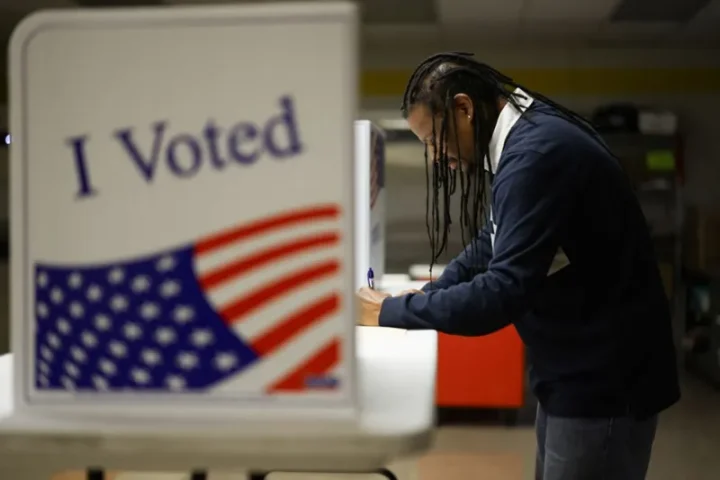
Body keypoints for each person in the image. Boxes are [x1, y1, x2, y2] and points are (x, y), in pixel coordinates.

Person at [356, 52, 680, 480]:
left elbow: (502, 293)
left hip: (603, 386)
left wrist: (389, 313)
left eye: (434, 140)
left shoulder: (535, 156)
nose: (436, 158)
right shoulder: (526, 136)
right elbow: (493, 239)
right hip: (575, 373)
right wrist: (428, 294)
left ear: (464, 109)